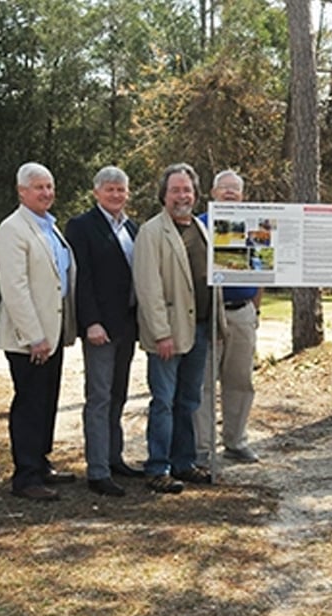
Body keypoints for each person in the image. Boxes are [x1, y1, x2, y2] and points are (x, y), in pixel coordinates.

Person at [0, 162, 78, 502]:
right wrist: (34, 336)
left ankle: (41, 463)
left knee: (47, 400)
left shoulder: (48, 226)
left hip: (52, 333)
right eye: (39, 187)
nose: (46, 193)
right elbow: (15, 287)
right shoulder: (14, 229)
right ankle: (25, 476)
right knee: (29, 403)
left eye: (49, 186)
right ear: (21, 191)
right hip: (30, 338)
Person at [134, 163, 216, 493]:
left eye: (187, 190)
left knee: (189, 401)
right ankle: (157, 467)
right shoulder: (152, 232)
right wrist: (161, 333)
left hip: (199, 329)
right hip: (169, 333)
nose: (182, 195)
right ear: (164, 195)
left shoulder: (202, 227)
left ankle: (183, 463)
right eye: (175, 190)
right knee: (164, 402)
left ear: (195, 194)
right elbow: (148, 287)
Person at [65, 166, 145, 497]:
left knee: (118, 394)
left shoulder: (133, 228)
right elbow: (80, 280)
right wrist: (91, 322)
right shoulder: (81, 227)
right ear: (96, 192)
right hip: (100, 327)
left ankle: (114, 457)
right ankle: (97, 469)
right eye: (109, 189)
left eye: (121, 190)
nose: (116, 195)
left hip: (127, 324)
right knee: (98, 396)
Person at [194, 169, 261, 466]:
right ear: (213, 192)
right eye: (224, 189)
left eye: (235, 189)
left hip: (242, 311)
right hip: (210, 313)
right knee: (204, 382)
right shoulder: (199, 227)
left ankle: (235, 441)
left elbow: (262, 272)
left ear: (243, 195)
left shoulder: (256, 226)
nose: (230, 193)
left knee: (240, 380)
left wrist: (255, 310)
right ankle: (202, 448)